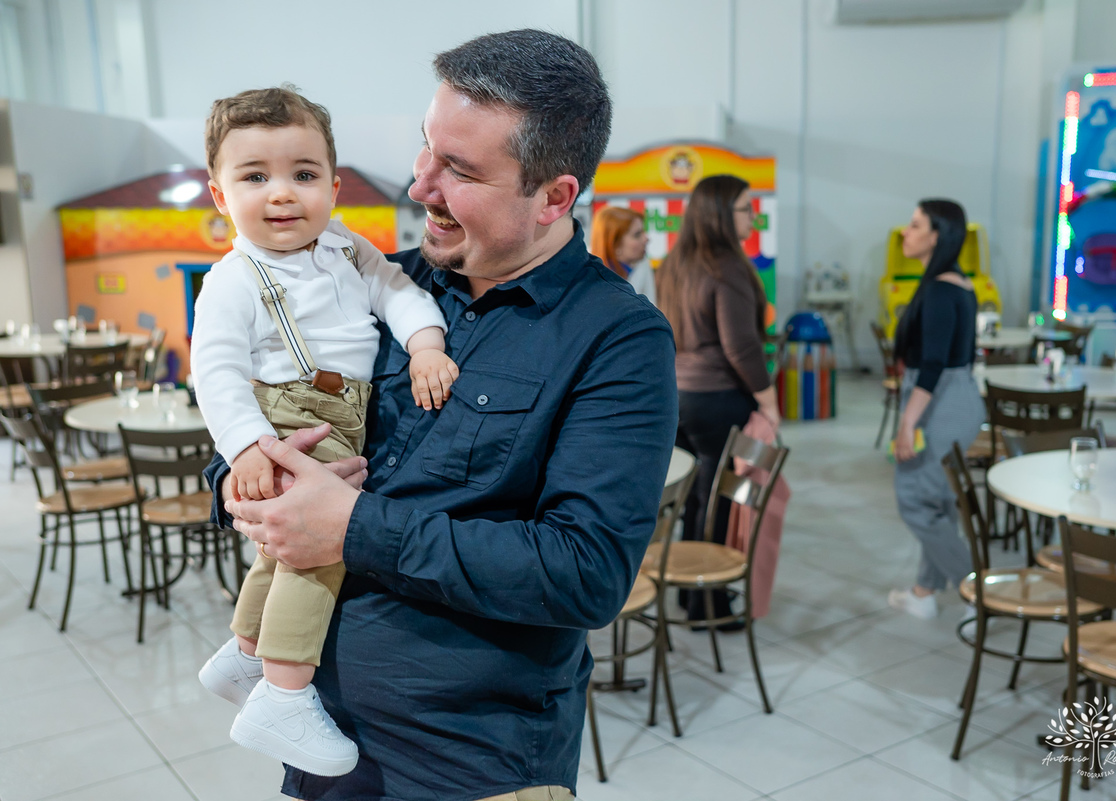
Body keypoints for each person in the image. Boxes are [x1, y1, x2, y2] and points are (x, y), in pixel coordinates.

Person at [204, 29, 677, 801]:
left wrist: (353, 527)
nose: (420, 185)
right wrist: (240, 476)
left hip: (470, 765)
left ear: (554, 195)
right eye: (428, 148)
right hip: (321, 738)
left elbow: (586, 572)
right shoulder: (378, 282)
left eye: (458, 169)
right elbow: (268, 406)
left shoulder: (617, 338)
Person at [190, 86, 459, 777]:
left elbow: (400, 292)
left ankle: (246, 653)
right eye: (255, 177)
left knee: (282, 548)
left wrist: (426, 345)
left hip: (340, 409)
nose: (282, 194)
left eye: (303, 174)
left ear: (333, 187)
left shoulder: (345, 248)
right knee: (322, 546)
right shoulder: (233, 278)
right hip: (286, 418)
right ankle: (284, 691)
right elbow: (215, 372)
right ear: (219, 196)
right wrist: (246, 447)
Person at [656, 174, 779, 624]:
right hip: (719, 397)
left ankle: (690, 594)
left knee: (692, 495)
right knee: (720, 499)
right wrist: (768, 402)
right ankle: (708, 600)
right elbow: (741, 347)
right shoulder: (726, 265)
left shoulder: (675, 262)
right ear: (722, 214)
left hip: (679, 396)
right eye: (747, 207)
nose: (754, 216)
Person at [888, 199, 985, 621]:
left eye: (914, 225)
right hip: (955, 395)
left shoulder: (942, 289)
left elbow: (933, 365)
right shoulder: (956, 283)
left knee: (914, 498)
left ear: (937, 235)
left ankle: (978, 590)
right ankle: (925, 592)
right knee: (938, 501)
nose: (904, 233)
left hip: (940, 399)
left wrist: (907, 423)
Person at [589, 205, 656, 304]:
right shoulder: (587, 275)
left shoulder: (642, 264)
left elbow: (653, 310)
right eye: (637, 234)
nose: (646, 239)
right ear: (614, 245)